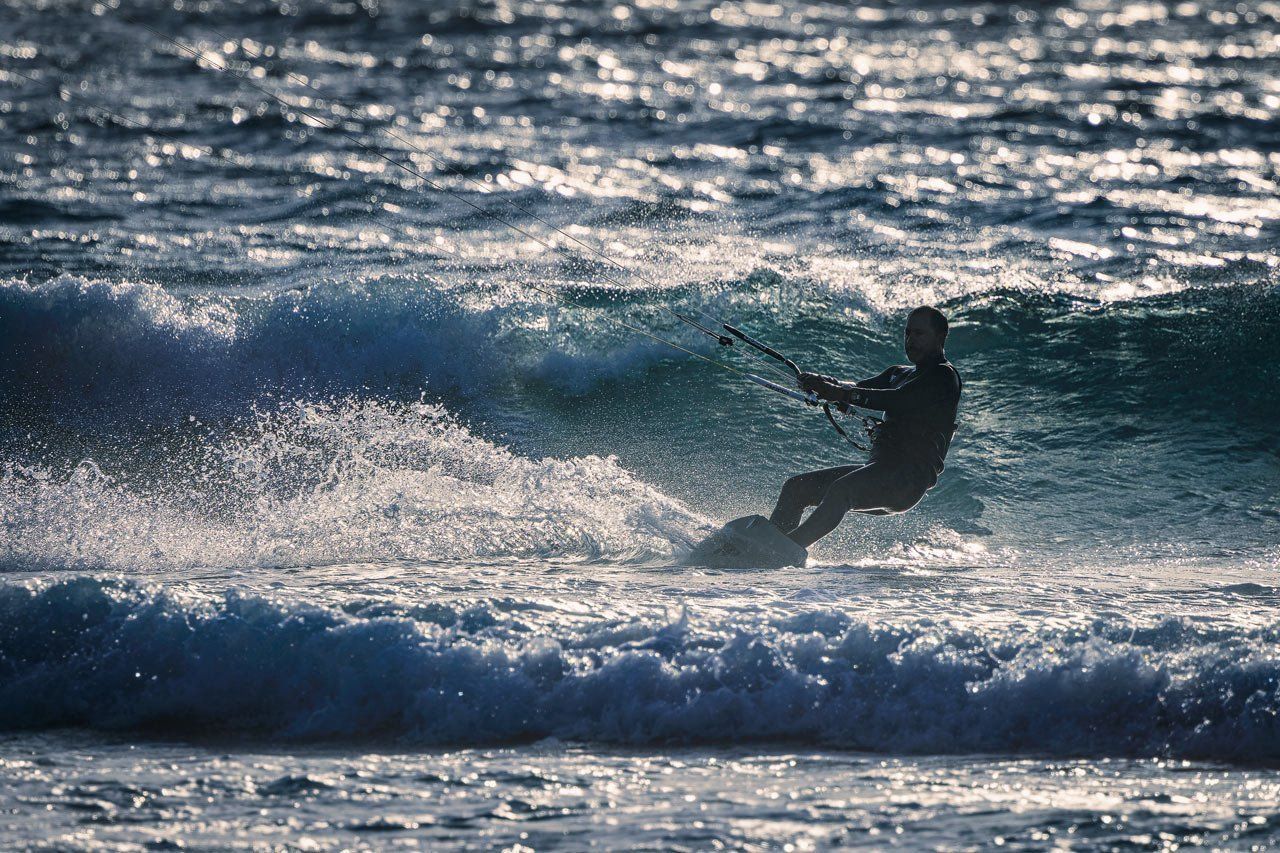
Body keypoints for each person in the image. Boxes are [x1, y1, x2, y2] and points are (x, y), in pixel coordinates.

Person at [769, 306, 961, 548]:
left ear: (941, 336)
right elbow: (859, 387)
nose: (911, 340)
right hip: (881, 470)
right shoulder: (898, 373)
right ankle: (766, 545)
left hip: (907, 480)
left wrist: (841, 393)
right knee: (796, 488)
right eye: (908, 333)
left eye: (919, 334)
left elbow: (895, 399)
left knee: (841, 491)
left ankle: (784, 550)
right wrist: (824, 384)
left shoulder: (944, 377)